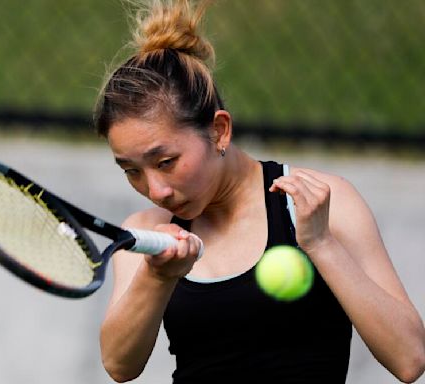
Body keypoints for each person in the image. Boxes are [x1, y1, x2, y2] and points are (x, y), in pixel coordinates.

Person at [94, 1, 425, 383]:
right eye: (131, 171)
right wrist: (157, 276)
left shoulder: (320, 201)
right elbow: (119, 366)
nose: (155, 189)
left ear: (219, 131)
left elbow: (409, 358)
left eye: (166, 162)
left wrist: (320, 243)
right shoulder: (148, 232)